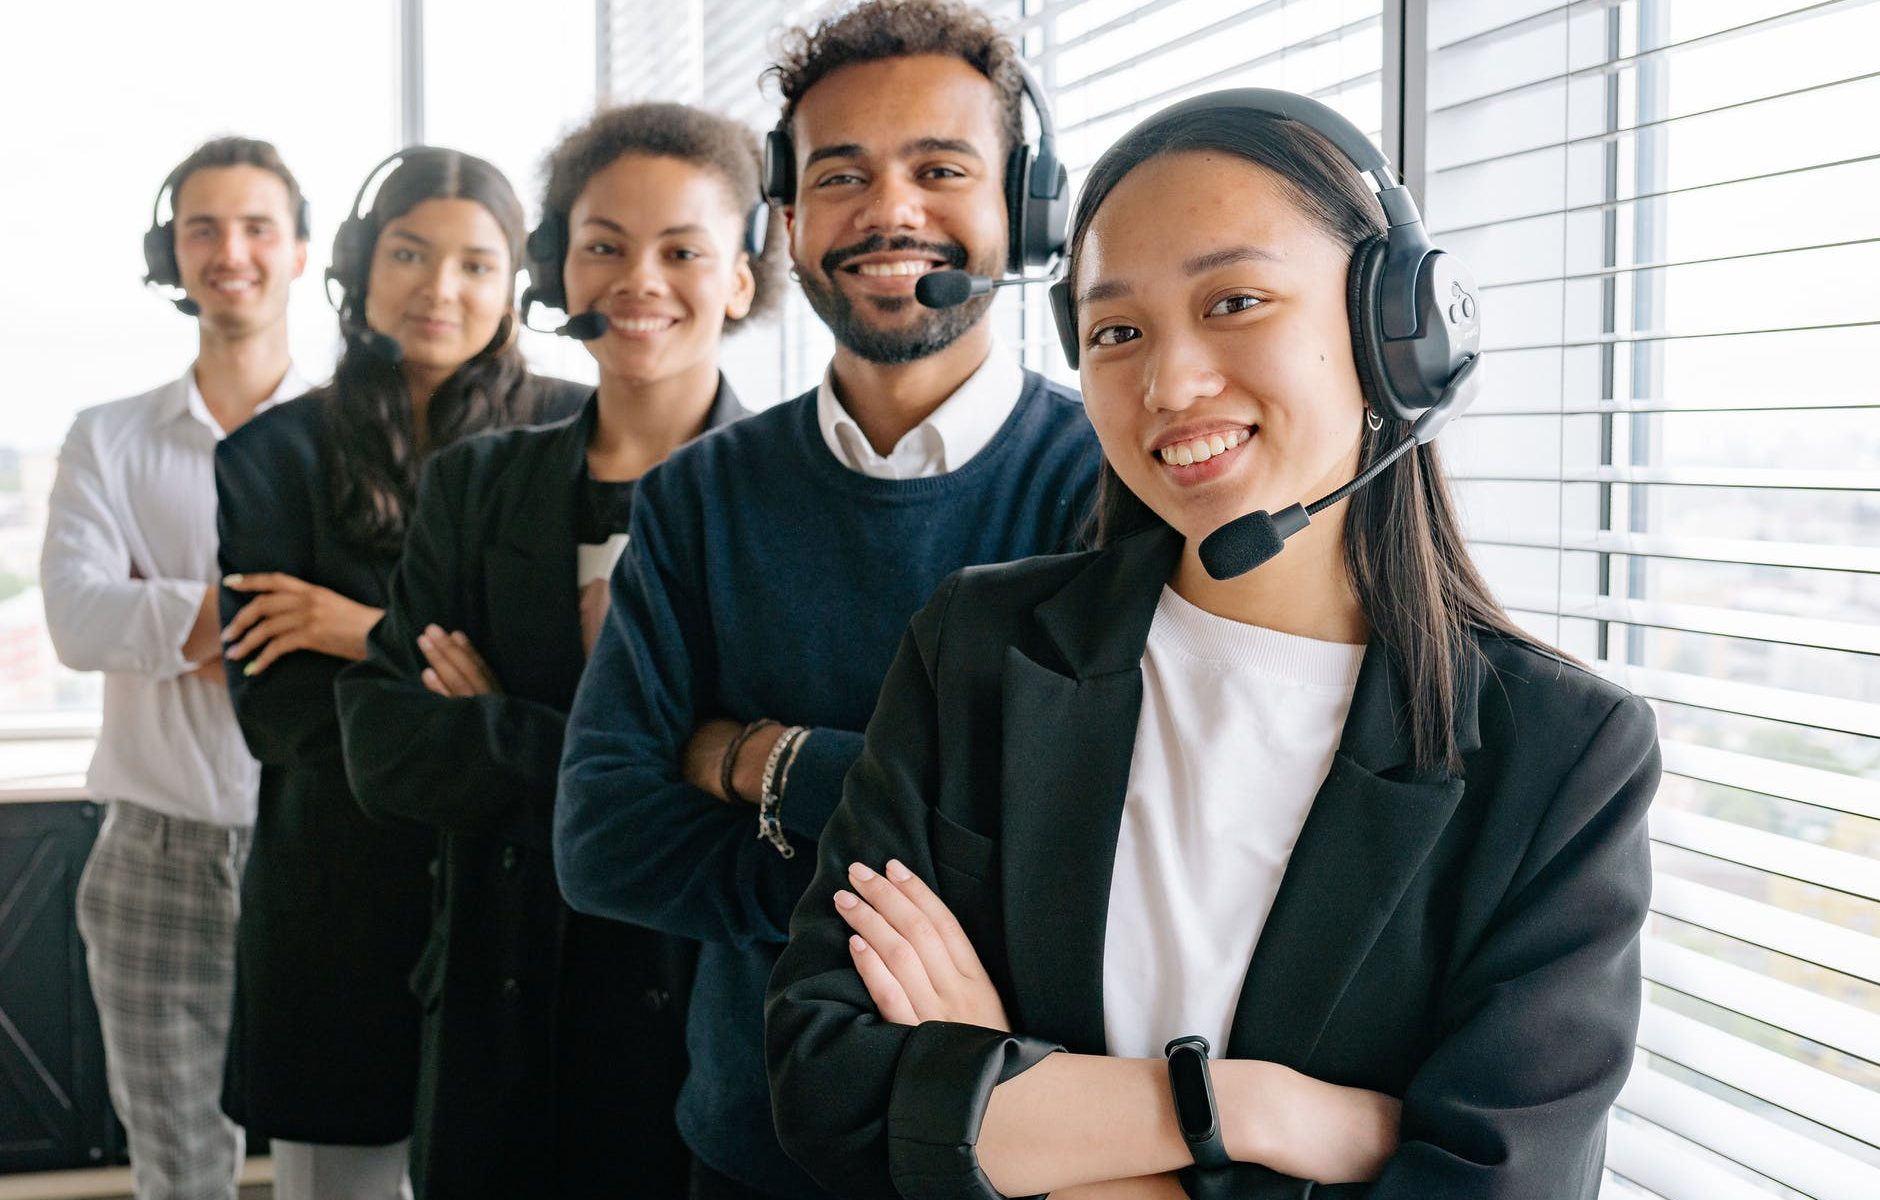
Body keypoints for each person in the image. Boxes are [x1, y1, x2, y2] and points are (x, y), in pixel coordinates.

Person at [766, 90, 1660, 1200]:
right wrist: (1251, 1109)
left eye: (1233, 300)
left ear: (1398, 332)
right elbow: (826, 1083)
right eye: (1115, 331)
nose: (1168, 382)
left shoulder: (1558, 757)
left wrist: (1008, 1105)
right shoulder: (981, 648)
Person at [552, 3, 1101, 1197]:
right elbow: (600, 841)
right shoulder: (697, 496)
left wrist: (760, 758)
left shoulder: (1112, 490)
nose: (888, 210)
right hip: (751, 1146)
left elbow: (1083, 866)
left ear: (1024, 203)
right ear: (789, 224)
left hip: (1018, 1151)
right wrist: (932, 865)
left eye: (939, 169)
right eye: (840, 175)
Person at [333, 102, 780, 1199]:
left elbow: (792, 789)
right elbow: (385, 748)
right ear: (557, 270)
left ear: (739, 279)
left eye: (682, 249)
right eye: (602, 246)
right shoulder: (475, 485)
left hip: (703, 1019)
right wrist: (648, 755)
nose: (639, 280)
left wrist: (501, 727)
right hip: (497, 1001)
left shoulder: (788, 499)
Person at [214, 146, 583, 1200]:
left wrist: (357, 628)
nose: (440, 288)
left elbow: (587, 700)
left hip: (529, 903)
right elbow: (280, 715)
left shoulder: (578, 434)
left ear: (517, 283)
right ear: (358, 270)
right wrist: (478, 698)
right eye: (410, 254)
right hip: (334, 905)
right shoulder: (269, 455)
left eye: (476, 262)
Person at [40, 136, 309, 1200]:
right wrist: (276, 620)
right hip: (152, 849)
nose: (228, 250)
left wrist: (169, 613)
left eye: (255, 226)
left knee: (347, 1155)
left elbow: (384, 632)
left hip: (329, 841)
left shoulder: (359, 435)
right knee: (176, 1170)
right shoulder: (108, 438)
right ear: (171, 249)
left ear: (298, 252)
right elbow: (76, 620)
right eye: (203, 226)